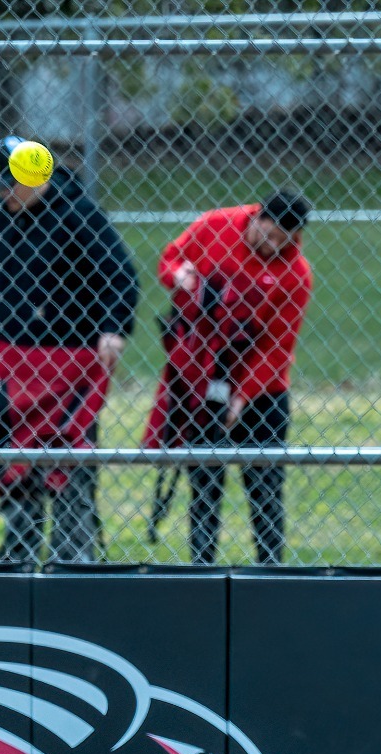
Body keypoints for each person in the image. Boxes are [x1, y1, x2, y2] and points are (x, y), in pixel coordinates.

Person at [0, 136, 139, 563]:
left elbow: (120, 275)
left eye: (10, 186)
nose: (2, 196)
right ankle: (19, 556)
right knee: (14, 464)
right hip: (12, 363)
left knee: (69, 463)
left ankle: (73, 559)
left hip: (68, 363)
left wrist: (114, 329)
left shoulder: (78, 216)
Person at [149, 189, 313, 565]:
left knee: (265, 486)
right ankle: (202, 567)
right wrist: (179, 275)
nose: (272, 247)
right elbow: (170, 259)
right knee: (205, 483)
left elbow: (277, 347)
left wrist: (243, 395)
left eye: (283, 242)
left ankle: (270, 568)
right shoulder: (215, 224)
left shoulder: (296, 275)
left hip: (263, 392)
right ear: (257, 217)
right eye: (267, 236)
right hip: (204, 377)